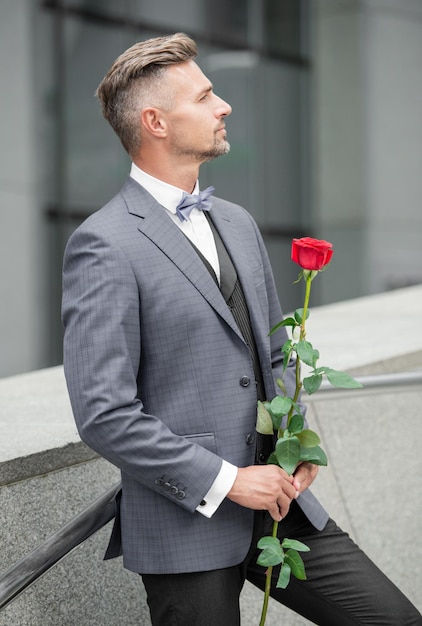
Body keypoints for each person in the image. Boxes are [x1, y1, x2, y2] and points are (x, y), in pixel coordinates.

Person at [62, 32, 421, 626]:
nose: (223, 105)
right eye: (204, 97)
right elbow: (104, 414)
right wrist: (229, 481)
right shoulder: (103, 244)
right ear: (154, 121)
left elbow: (274, 354)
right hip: (186, 521)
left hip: (283, 506)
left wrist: (296, 441)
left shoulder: (235, 220)